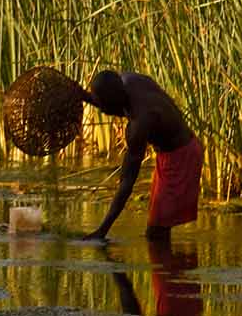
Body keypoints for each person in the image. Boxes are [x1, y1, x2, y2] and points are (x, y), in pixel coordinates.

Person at [79, 70, 202, 241]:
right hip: (170, 154)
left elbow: (127, 183)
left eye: (103, 106)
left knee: (157, 232)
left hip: (181, 158)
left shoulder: (141, 122)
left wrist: (102, 230)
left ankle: (173, 266)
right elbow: (116, 106)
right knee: (156, 229)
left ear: (113, 102)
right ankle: (168, 265)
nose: (101, 110)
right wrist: (82, 95)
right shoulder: (129, 81)